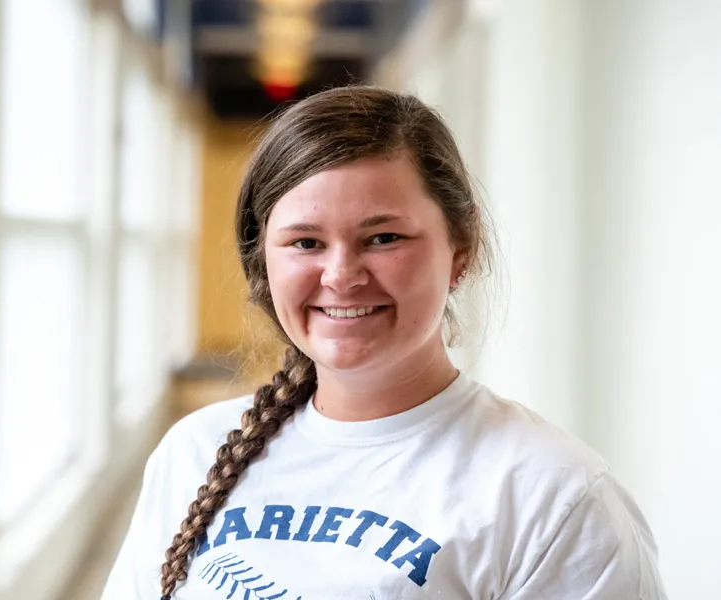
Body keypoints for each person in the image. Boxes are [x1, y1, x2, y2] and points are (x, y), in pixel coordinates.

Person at [101, 86, 667, 600]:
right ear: (263, 259)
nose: (341, 275)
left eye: (384, 237)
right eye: (304, 242)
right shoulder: (195, 451)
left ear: (460, 248)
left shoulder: (553, 496)